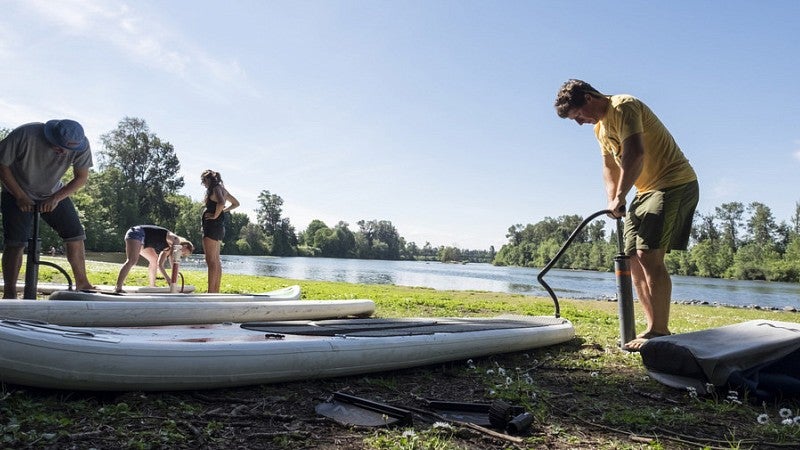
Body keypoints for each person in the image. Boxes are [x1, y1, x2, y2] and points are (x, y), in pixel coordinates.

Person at [554, 79, 699, 352]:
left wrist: (621, 195)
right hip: (644, 191)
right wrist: (612, 197)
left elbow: (635, 153)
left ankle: (659, 330)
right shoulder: (600, 129)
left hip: (674, 183)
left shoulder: (624, 106)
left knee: (648, 254)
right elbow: (610, 166)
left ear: (588, 97)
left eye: (578, 115)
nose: (579, 122)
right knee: (632, 258)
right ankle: (652, 326)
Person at [0, 119, 94, 298]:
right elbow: (2, 165)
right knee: (15, 242)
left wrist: (56, 198)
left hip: (52, 192)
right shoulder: (25, 134)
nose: (64, 153)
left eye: (69, 150)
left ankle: (83, 284)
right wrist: (20, 195)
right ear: (51, 137)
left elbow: (81, 178)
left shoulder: (81, 144)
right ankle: (10, 293)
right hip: (16, 191)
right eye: (60, 147)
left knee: (75, 233)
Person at [114, 225, 194, 293]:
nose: (181, 254)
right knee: (132, 260)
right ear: (184, 246)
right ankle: (118, 287)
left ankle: (152, 285)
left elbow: (163, 263)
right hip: (137, 233)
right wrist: (170, 279)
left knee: (154, 259)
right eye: (184, 253)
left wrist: (172, 279)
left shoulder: (168, 248)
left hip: (145, 241)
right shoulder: (176, 240)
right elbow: (173, 259)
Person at [200, 169, 239, 293]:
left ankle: (211, 292)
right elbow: (236, 203)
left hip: (212, 226)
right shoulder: (223, 190)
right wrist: (222, 212)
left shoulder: (216, 188)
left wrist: (215, 215)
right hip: (219, 228)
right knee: (216, 260)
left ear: (208, 179)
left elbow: (221, 203)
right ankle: (215, 291)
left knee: (210, 260)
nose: (203, 184)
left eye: (203, 181)